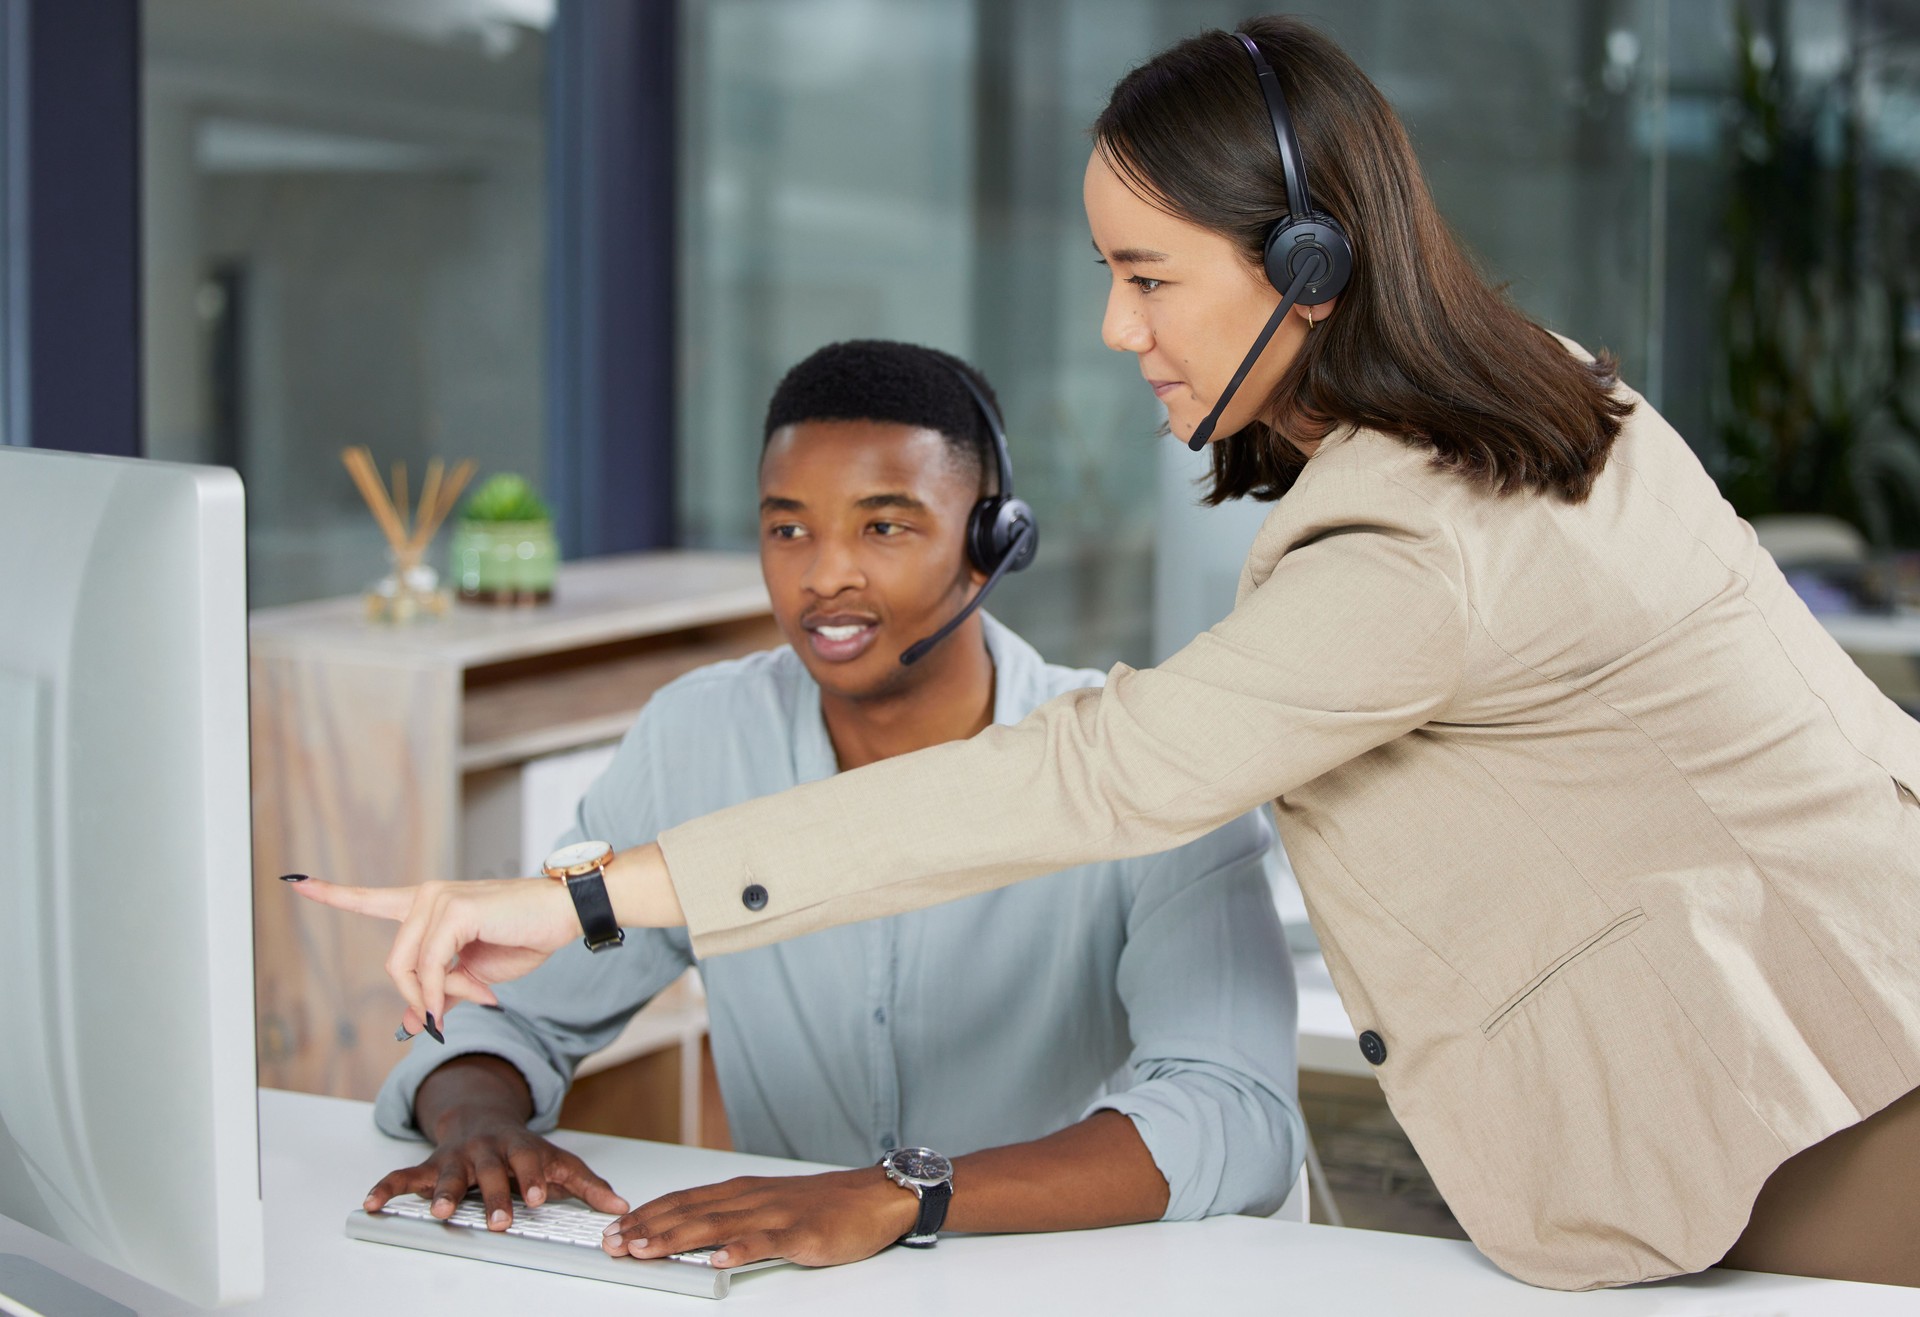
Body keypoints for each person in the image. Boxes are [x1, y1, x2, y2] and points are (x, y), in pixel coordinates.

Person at [300, 16, 1920, 1292]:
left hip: (1819, 1087)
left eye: (1150, 278)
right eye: (1109, 276)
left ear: (1308, 264)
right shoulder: (1514, 411)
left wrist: (582, 888)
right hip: (1808, 1035)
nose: (1116, 329)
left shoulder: (1419, 530)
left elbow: (1097, 778)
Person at [353, 339, 1302, 1270]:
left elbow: (1233, 1108)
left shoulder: (1140, 765)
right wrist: (477, 1119)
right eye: (788, 527)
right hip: (783, 1283)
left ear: (992, 543)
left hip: (1052, 1274)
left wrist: (896, 1194)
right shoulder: (699, 737)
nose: (823, 575)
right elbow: (513, 1008)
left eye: (883, 526)